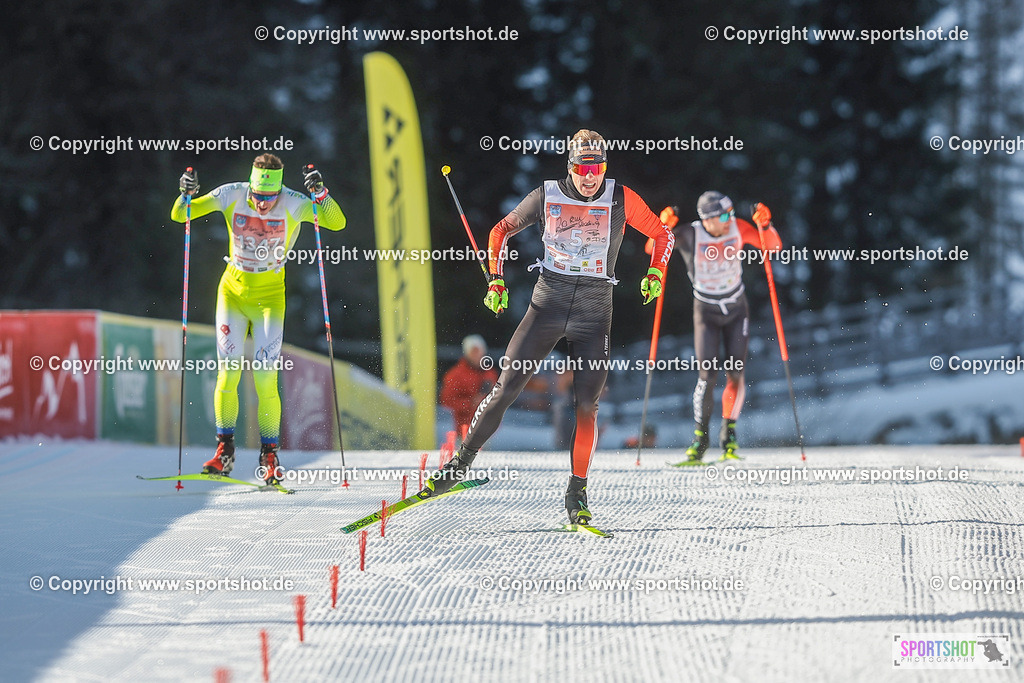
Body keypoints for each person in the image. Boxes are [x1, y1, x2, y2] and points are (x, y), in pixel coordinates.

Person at [423, 129, 675, 525]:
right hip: (548, 306)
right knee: (506, 387)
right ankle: (459, 466)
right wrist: (495, 279)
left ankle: (577, 492)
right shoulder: (547, 195)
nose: (590, 176)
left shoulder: (620, 197)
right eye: (582, 168)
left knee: (587, 406)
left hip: (594, 312)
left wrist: (656, 272)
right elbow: (500, 230)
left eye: (597, 168)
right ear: (570, 166)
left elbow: (662, 234)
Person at [170, 154, 347, 484]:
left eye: (270, 197)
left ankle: (269, 455)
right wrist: (185, 193)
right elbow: (182, 214)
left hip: (270, 299)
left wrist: (321, 194)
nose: (263, 204)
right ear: (250, 187)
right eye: (258, 196)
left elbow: (336, 223)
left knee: (266, 379)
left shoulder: (293, 202)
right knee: (228, 374)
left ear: (279, 191)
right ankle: (224, 451)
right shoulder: (231, 194)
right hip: (233, 293)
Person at [664, 193, 781, 465]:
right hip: (706, 311)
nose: (731, 219)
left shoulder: (737, 227)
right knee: (707, 376)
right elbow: (653, 247)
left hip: (736, 309)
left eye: (731, 213)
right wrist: (663, 227)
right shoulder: (690, 234)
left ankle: (729, 435)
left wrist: (765, 225)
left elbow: (773, 246)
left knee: (736, 373)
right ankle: (700, 440)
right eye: (725, 215)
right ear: (708, 219)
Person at [439, 334, 498, 435]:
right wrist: (470, 403)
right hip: (462, 430)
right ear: (467, 353)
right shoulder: (455, 375)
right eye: (473, 351)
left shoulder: (490, 373)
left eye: (479, 351)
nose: (477, 355)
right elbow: (446, 402)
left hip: (486, 430)